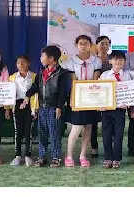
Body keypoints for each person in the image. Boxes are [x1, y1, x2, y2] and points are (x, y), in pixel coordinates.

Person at [24, 44, 70, 168]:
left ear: (51, 58)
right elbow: (35, 86)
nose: (40, 58)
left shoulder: (62, 73)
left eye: (42, 56)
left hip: (54, 108)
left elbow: (63, 92)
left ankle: (56, 157)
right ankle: (42, 157)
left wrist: (59, 107)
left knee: (54, 133)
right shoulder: (42, 71)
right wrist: (27, 96)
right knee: (42, 133)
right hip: (42, 107)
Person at [61, 34, 102, 166]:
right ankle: (69, 156)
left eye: (86, 43)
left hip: (92, 97)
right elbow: (73, 82)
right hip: (77, 97)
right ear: (76, 45)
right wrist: (73, 99)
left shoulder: (96, 61)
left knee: (88, 127)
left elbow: (96, 80)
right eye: (81, 44)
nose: (83, 46)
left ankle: (83, 155)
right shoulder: (70, 62)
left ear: (90, 45)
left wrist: (97, 99)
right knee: (76, 127)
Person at [99, 50, 133, 168]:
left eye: (121, 60)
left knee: (119, 134)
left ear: (124, 62)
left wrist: (129, 102)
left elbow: (131, 91)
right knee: (106, 134)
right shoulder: (105, 75)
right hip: (106, 109)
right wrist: (100, 104)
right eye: (115, 59)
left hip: (120, 109)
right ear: (110, 61)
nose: (118, 62)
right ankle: (108, 157)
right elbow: (100, 90)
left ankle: (117, 158)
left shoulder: (127, 76)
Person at [6, 54, 38, 167]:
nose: (21, 65)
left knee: (28, 131)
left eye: (24, 62)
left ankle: (28, 156)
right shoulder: (12, 77)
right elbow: (8, 94)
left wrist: (36, 109)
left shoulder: (34, 76)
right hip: (17, 105)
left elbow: (36, 93)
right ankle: (17, 156)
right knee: (18, 132)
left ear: (29, 63)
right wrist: (7, 109)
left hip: (30, 106)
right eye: (18, 63)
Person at [90, 35, 112, 156]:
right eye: (102, 43)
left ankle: (109, 147)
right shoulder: (92, 60)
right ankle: (94, 147)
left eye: (107, 44)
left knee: (109, 122)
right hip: (96, 95)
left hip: (110, 96)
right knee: (93, 122)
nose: (104, 46)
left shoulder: (112, 59)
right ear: (97, 45)